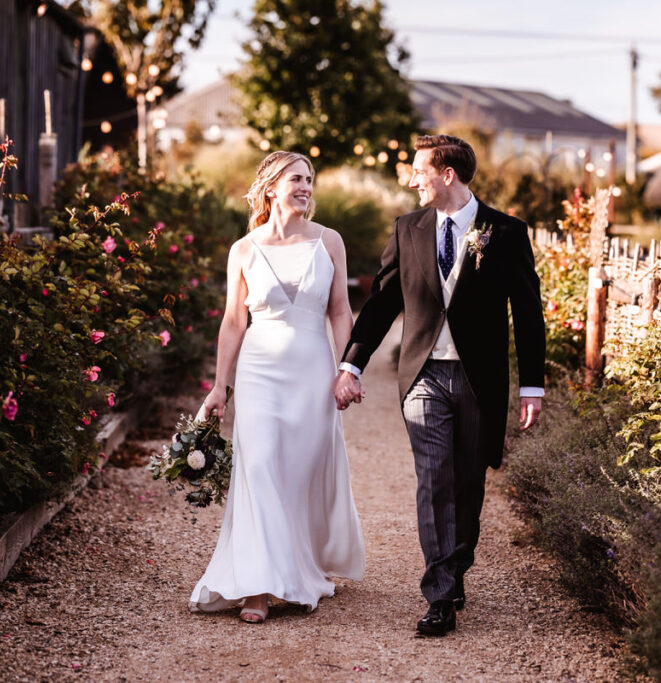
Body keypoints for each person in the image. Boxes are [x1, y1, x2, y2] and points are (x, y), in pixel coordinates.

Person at [334, 134, 545, 636]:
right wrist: (352, 365)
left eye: (418, 170)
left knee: (467, 484)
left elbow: (529, 313)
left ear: (446, 174)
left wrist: (532, 386)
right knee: (434, 480)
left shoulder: (506, 232)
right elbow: (382, 304)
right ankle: (439, 593)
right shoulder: (407, 229)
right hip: (423, 376)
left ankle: (454, 566)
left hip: (479, 379)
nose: (411, 179)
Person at [191, 151, 365, 624]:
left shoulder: (329, 242)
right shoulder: (244, 249)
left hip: (312, 372)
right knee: (262, 465)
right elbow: (233, 321)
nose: (306, 186)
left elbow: (340, 312)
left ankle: (297, 566)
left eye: (309, 178)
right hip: (259, 371)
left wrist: (348, 369)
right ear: (271, 187)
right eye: (296, 178)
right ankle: (259, 587)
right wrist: (219, 387)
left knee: (298, 472)